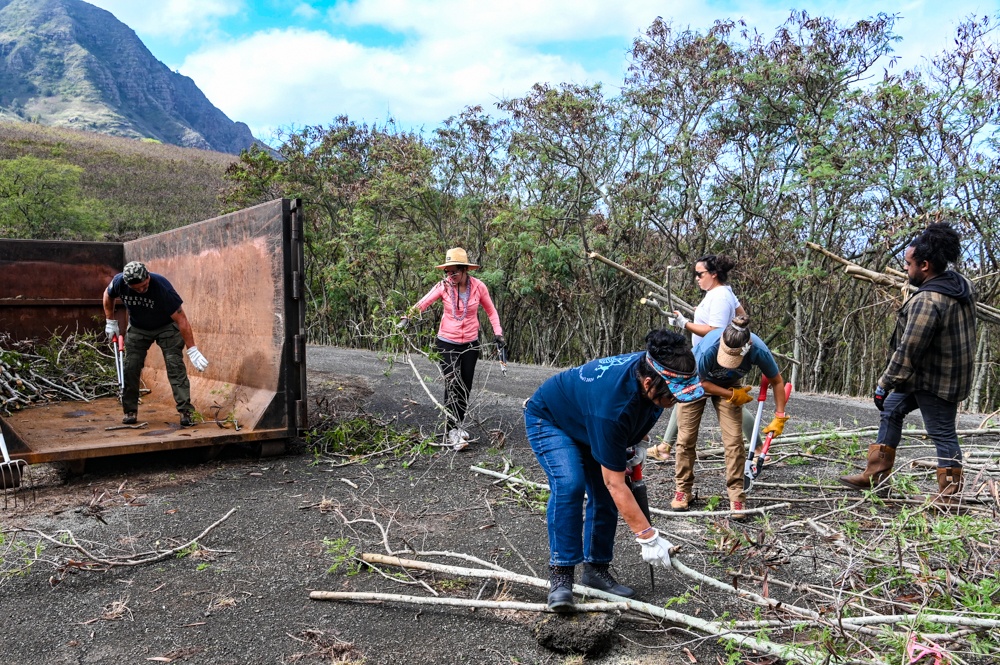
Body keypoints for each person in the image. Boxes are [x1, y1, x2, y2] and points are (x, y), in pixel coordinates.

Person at [524, 329, 704, 611]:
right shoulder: (614, 406)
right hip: (552, 419)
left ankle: (595, 570)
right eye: (673, 396)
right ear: (648, 383)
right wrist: (648, 537)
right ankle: (561, 575)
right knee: (571, 485)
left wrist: (637, 442)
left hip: (590, 422)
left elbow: (639, 416)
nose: (677, 402)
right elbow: (615, 482)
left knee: (604, 496)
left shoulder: (654, 370)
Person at [840, 223, 976, 509]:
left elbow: (909, 350)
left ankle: (950, 498)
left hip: (938, 380)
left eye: (908, 264)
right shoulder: (957, 284)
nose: (905, 269)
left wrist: (884, 383)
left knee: (942, 432)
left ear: (925, 265)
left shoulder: (929, 300)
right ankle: (875, 476)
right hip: (927, 375)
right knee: (892, 410)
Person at [647, 254, 759, 462]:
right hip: (715, 357)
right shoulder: (724, 293)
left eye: (700, 274)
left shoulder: (718, 297)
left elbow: (714, 331)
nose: (697, 278)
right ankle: (665, 446)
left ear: (713, 274)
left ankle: (665, 447)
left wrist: (684, 324)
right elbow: (742, 317)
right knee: (724, 399)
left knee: (693, 394)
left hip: (711, 360)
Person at [672, 315, 788, 515]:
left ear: (747, 346)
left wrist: (779, 415)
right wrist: (732, 395)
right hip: (697, 382)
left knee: (734, 441)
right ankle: (683, 490)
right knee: (686, 438)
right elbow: (701, 383)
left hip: (730, 385)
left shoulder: (757, 349)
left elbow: (777, 381)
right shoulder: (708, 349)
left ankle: (736, 495)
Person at [402, 247, 503, 449]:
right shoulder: (443, 286)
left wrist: (498, 333)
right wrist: (407, 318)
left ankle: (459, 424)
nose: (450, 275)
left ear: (465, 270)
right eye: (447, 271)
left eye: (454, 271)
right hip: (447, 342)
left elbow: (491, 311)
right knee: (453, 383)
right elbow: (424, 302)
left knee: (465, 385)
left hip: (470, 344)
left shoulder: (478, 287)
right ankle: (451, 431)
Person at [103, 261, 209, 427]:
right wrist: (110, 322)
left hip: (166, 327)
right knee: (131, 366)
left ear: (148, 276)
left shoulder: (162, 287)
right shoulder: (118, 282)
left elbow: (182, 319)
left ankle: (185, 411)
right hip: (138, 327)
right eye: (136, 288)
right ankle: (130, 410)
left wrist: (192, 350)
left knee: (174, 365)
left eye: (144, 286)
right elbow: (107, 296)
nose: (141, 290)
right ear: (127, 283)